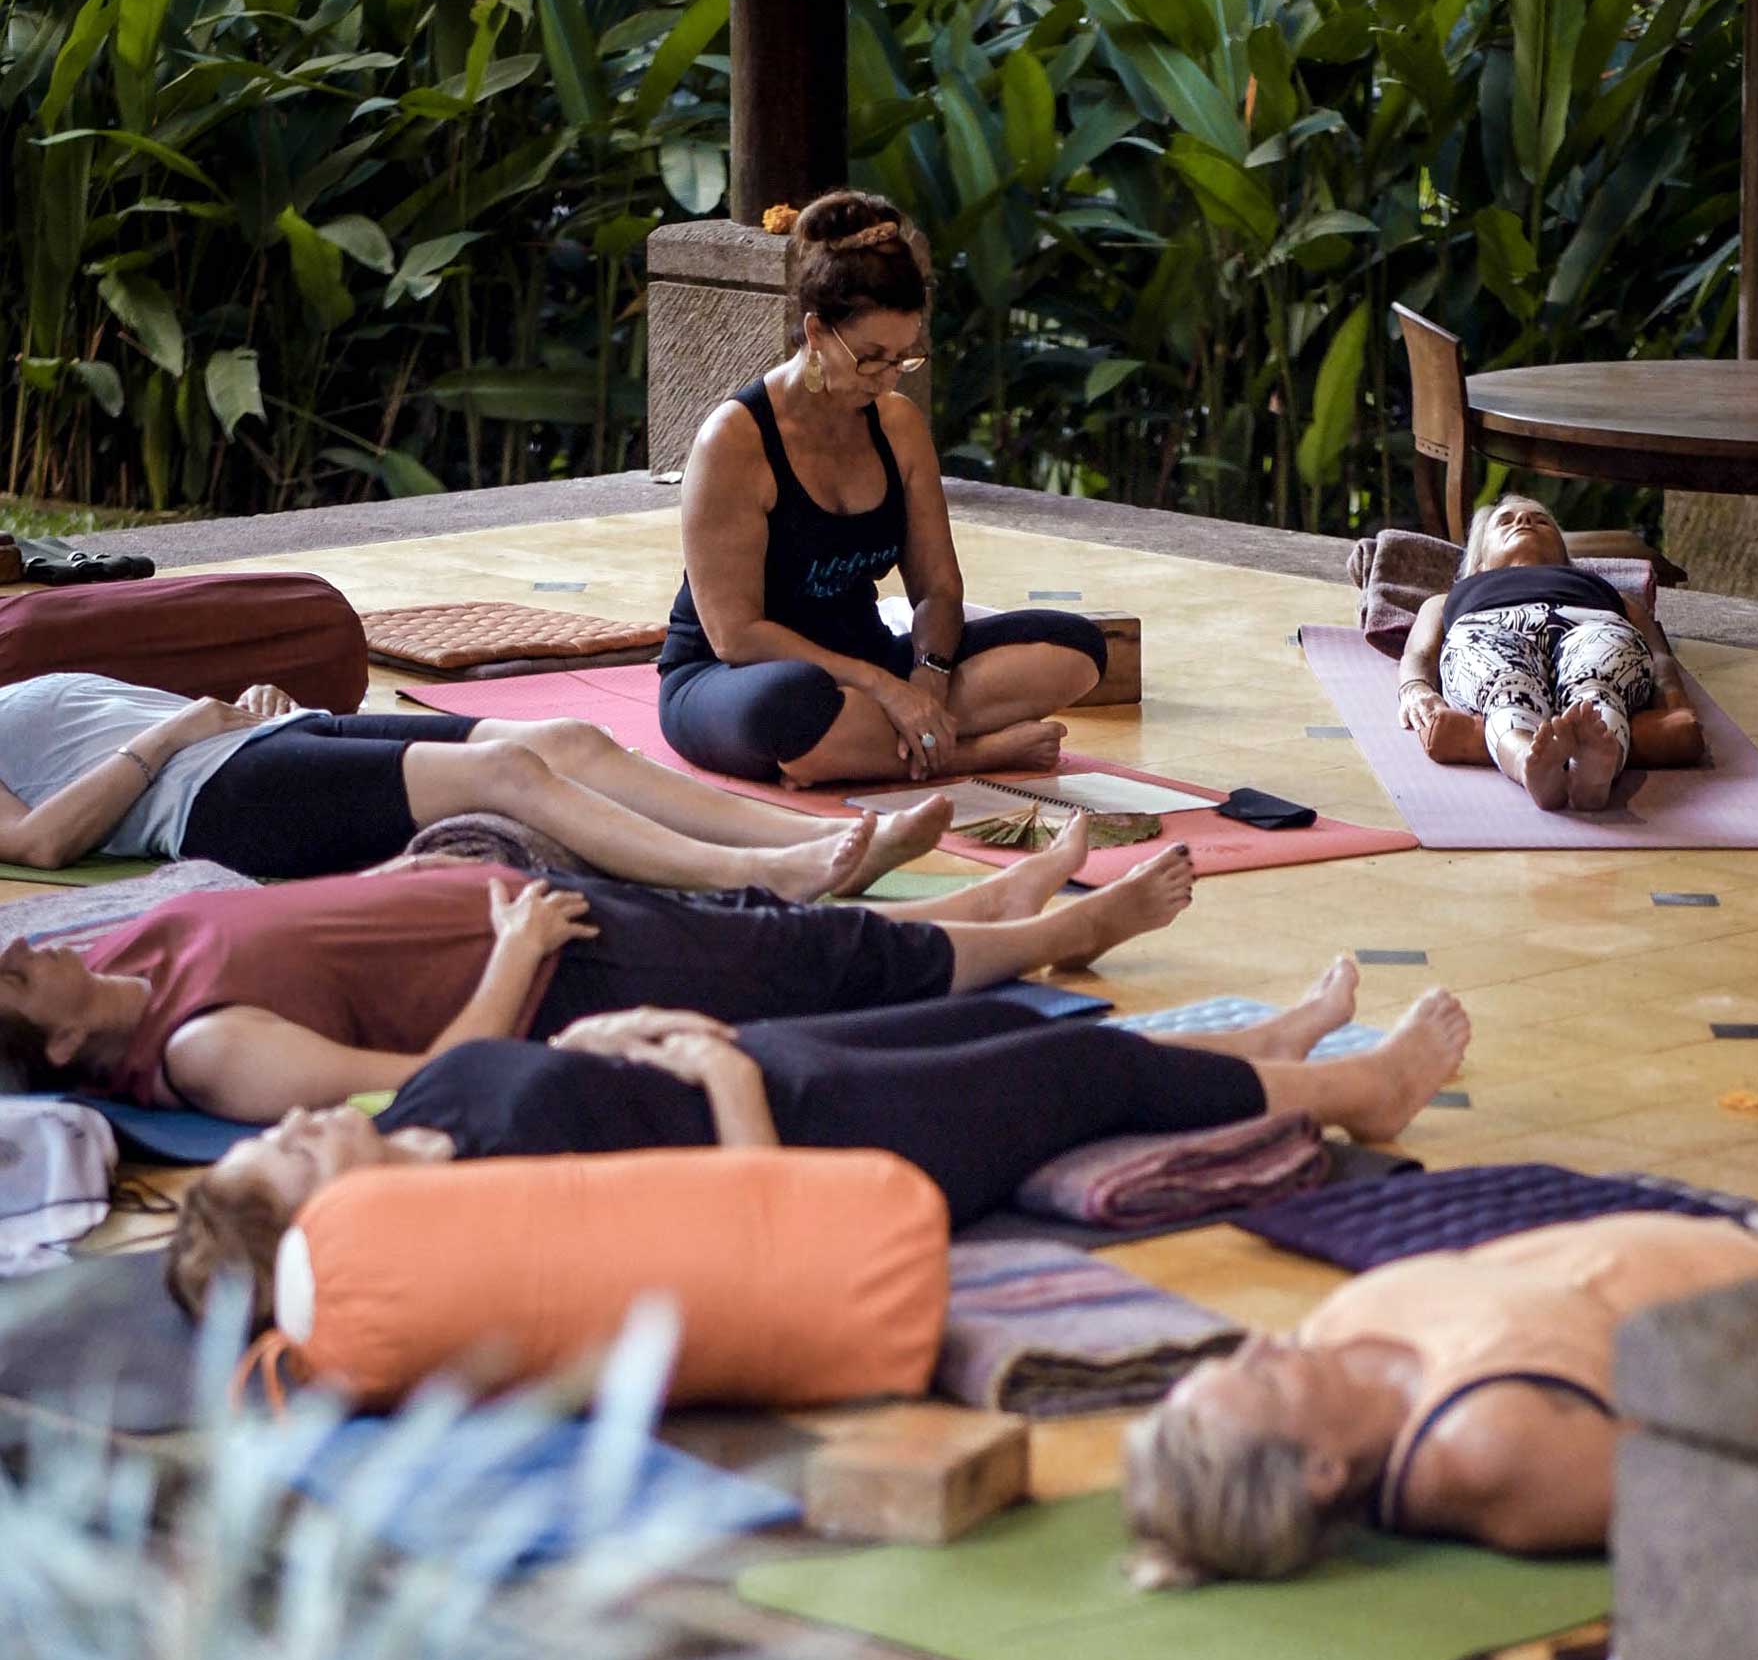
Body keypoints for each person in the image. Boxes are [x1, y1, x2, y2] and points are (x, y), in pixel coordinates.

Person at [166, 973, 1476, 1327]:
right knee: (1084, 1074)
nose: (298, 1124)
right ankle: (1361, 1091)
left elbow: (539, 1066)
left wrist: (608, 1031)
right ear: (329, 1234)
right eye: (294, 1158)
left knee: (1007, 1021)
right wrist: (727, 1078)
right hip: (826, 1130)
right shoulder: (495, 1210)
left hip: (769, 1056)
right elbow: (743, 1232)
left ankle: (1267, 1046)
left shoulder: (413, 1120)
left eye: (275, 1135)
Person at [0, 822, 1195, 1122]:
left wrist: (397, 877)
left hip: (511, 907)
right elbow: (428, 1078)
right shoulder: (206, 1052)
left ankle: (985, 907)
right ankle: (1052, 937)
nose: (20, 949)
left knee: (758, 923)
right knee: (816, 959)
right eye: (12, 981)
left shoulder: (112, 950)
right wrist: (514, 955)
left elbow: (290, 921)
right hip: (550, 972)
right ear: (55, 1044)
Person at [660, 189, 1108, 785]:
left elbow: (938, 590)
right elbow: (736, 636)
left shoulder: (897, 425)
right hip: (738, 678)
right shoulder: (734, 440)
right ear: (816, 332)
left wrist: (929, 676)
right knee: (793, 706)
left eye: (903, 358)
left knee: (1074, 648)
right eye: (871, 357)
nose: (889, 378)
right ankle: (972, 754)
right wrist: (884, 689)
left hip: (868, 658)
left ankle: (872, 745)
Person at [1123, 1211, 1758, 1579]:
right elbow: (1745, 1479)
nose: (1261, 1343)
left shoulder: (1326, 1340)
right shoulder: (1487, 1449)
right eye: (1264, 1379)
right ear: (1322, 1470)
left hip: (1757, 1231)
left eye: (1233, 1357)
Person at [0, 670, 957, 896]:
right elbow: (40, 842)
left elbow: (91, 732)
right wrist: (181, 726)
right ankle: (766, 877)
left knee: (570, 738)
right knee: (504, 773)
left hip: (265, 739)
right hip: (217, 799)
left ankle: (815, 842)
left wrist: (235, 706)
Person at [1395, 497, 1702, 810]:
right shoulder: (1447, 599)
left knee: (1597, 678)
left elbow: (1658, 654)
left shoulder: (1612, 595)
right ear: (1480, 563)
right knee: (1505, 684)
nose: (1524, 521)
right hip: (1489, 629)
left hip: (1592, 627)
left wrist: (1672, 694)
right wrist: (1414, 687)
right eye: (1506, 521)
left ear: (1565, 558)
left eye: (1540, 520)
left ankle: (1596, 769)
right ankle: (1527, 762)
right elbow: (1419, 652)